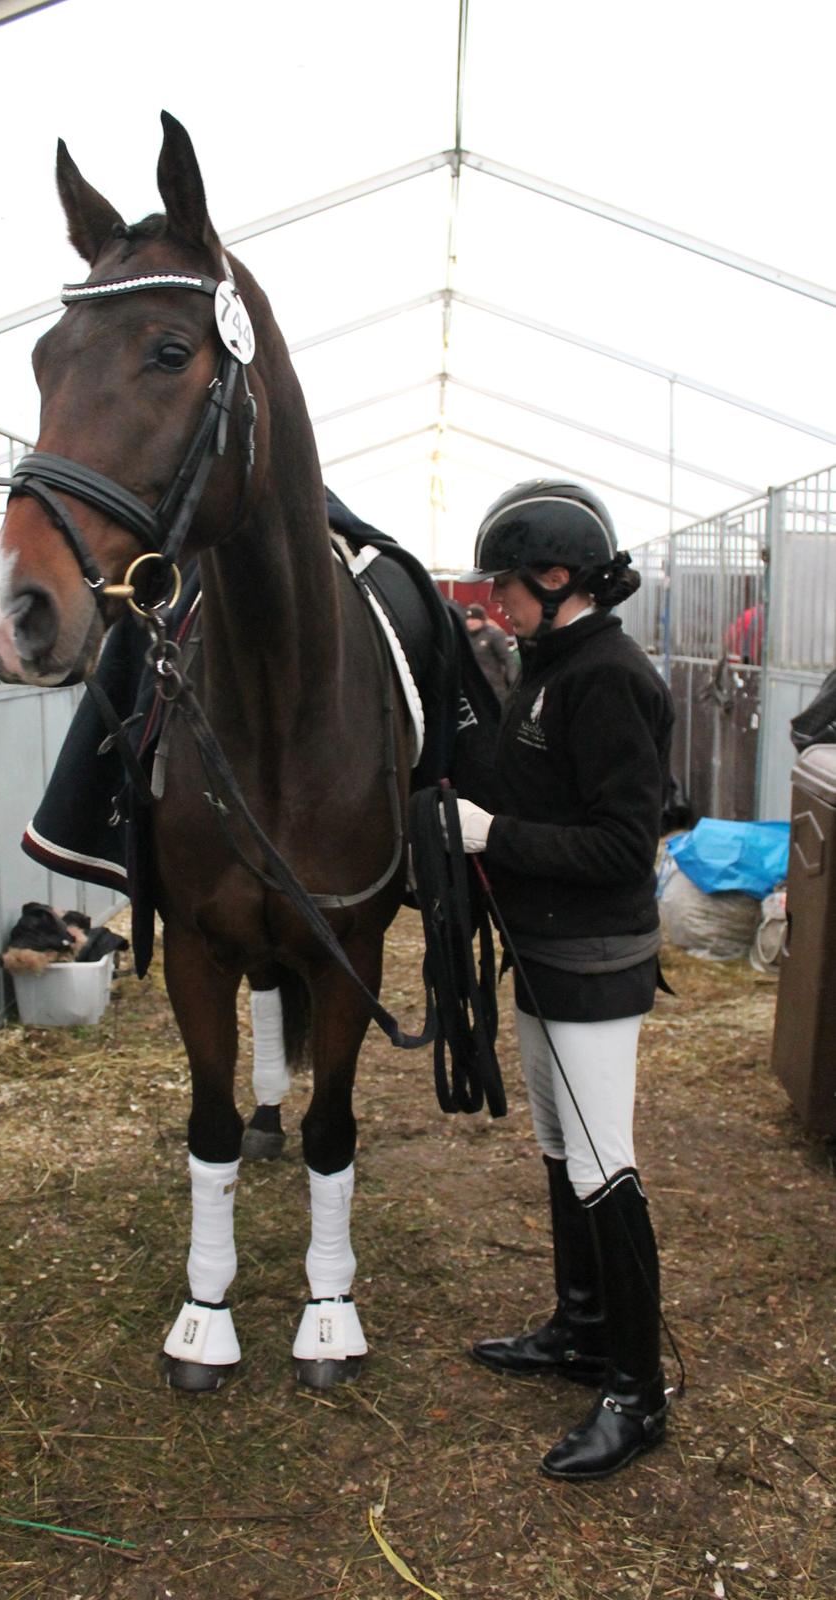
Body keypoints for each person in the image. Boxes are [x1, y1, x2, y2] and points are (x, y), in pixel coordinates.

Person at [453, 478, 675, 1481]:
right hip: (543, 954)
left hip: (591, 960)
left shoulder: (607, 678)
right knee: (558, 1149)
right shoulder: (545, 664)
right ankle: (579, 1330)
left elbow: (623, 845)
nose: (494, 600)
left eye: (505, 583)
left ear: (554, 577)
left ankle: (635, 1392)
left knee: (601, 1166)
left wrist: (492, 834)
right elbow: (521, 782)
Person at [464, 602, 519, 703]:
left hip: (492, 687)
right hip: (471, 688)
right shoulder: (464, 636)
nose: (470, 622)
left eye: (474, 619)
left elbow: (508, 659)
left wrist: (514, 685)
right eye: (468, 619)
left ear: (482, 620)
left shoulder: (493, 634)